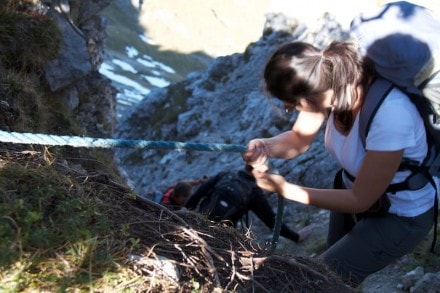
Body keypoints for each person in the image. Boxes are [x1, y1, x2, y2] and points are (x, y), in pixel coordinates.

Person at [242, 41, 436, 287]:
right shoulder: (330, 82)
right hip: (355, 194)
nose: (291, 108)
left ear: (310, 94)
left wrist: (284, 189)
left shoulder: (391, 116)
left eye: (292, 104)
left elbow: (360, 199)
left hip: (400, 214)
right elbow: (298, 139)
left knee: (316, 282)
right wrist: (265, 146)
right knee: (336, 281)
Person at [185, 164, 315, 243]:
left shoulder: (225, 175)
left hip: (197, 223)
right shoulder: (253, 192)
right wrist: (295, 237)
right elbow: (271, 221)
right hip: (221, 237)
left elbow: (198, 194)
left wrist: (184, 214)